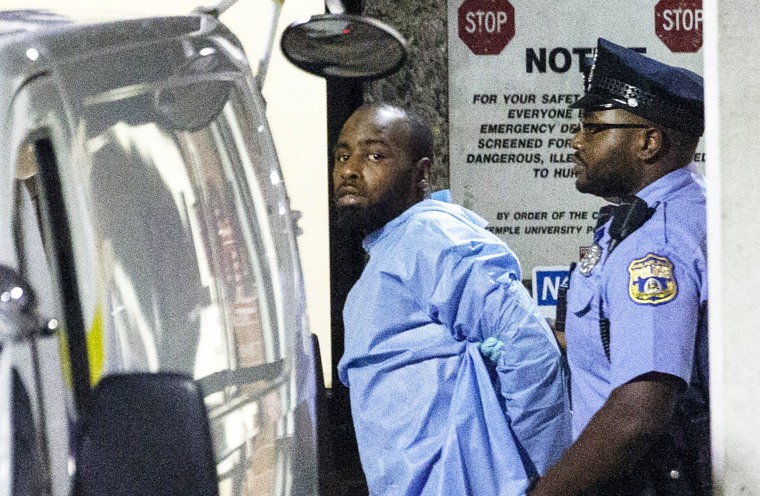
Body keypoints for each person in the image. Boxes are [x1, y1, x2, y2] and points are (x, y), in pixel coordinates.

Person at [333, 103, 571, 496]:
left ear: (421, 173)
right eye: (343, 155)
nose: (350, 170)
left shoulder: (433, 238)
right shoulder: (393, 248)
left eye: (375, 155)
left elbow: (529, 347)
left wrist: (554, 479)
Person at [528, 38, 709, 495]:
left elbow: (638, 413)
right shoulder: (665, 214)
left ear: (649, 142)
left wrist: (546, 493)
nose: (576, 140)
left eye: (594, 128)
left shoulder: (655, 245)